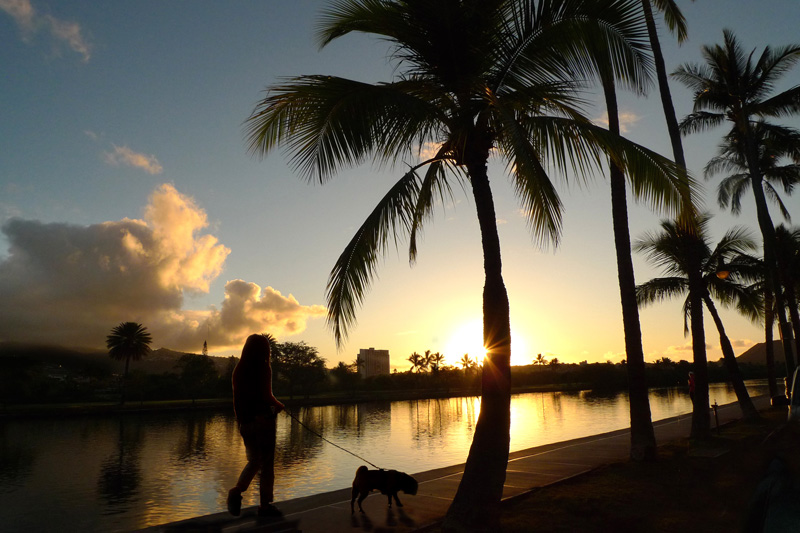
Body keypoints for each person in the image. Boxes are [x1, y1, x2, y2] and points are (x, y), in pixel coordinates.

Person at [227, 334, 285, 518]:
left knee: (254, 461)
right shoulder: (263, 367)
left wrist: (242, 421)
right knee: (266, 466)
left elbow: (237, 400)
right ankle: (265, 506)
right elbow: (267, 395)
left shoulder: (239, 369)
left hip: (245, 423)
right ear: (265, 350)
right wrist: (279, 405)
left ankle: (237, 489)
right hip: (263, 422)